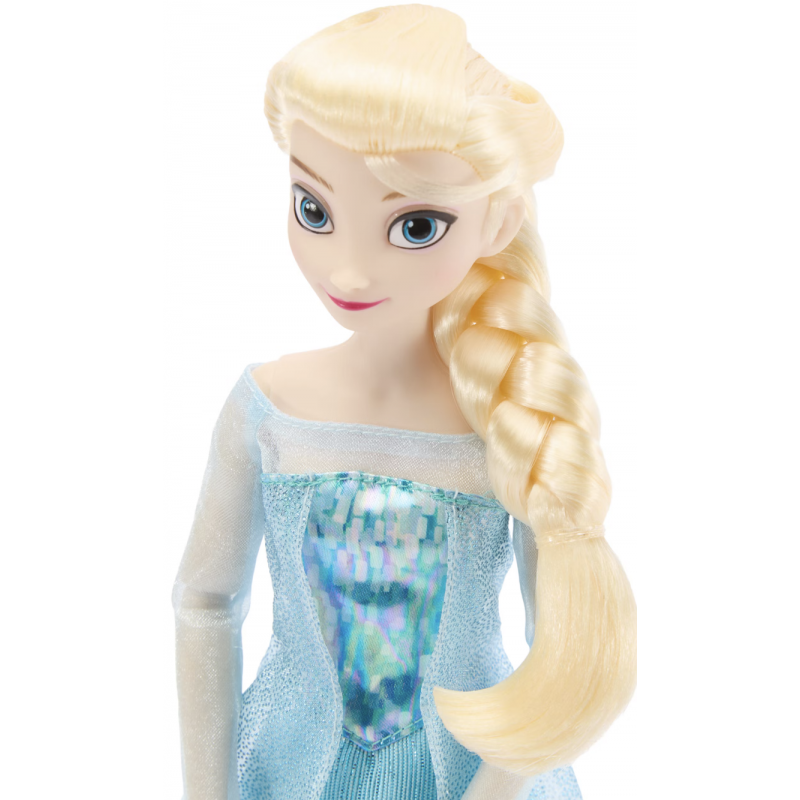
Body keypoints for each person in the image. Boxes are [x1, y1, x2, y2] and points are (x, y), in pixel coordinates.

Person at [172, 5, 636, 799]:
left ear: (498, 220)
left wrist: (493, 788)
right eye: (314, 210)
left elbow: (564, 654)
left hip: (468, 775)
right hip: (291, 770)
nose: (348, 271)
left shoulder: (511, 426)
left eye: (415, 225)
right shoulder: (269, 410)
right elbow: (206, 602)